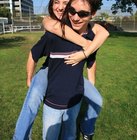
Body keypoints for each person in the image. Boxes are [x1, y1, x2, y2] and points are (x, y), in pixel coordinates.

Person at [13, 0, 109, 140]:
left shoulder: (86, 27)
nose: (60, 7)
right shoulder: (53, 25)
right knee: (32, 99)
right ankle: (20, 137)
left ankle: (87, 130)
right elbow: (49, 27)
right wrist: (29, 78)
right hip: (49, 68)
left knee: (96, 100)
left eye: (65, 2)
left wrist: (86, 54)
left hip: (71, 75)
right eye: (56, 2)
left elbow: (103, 34)